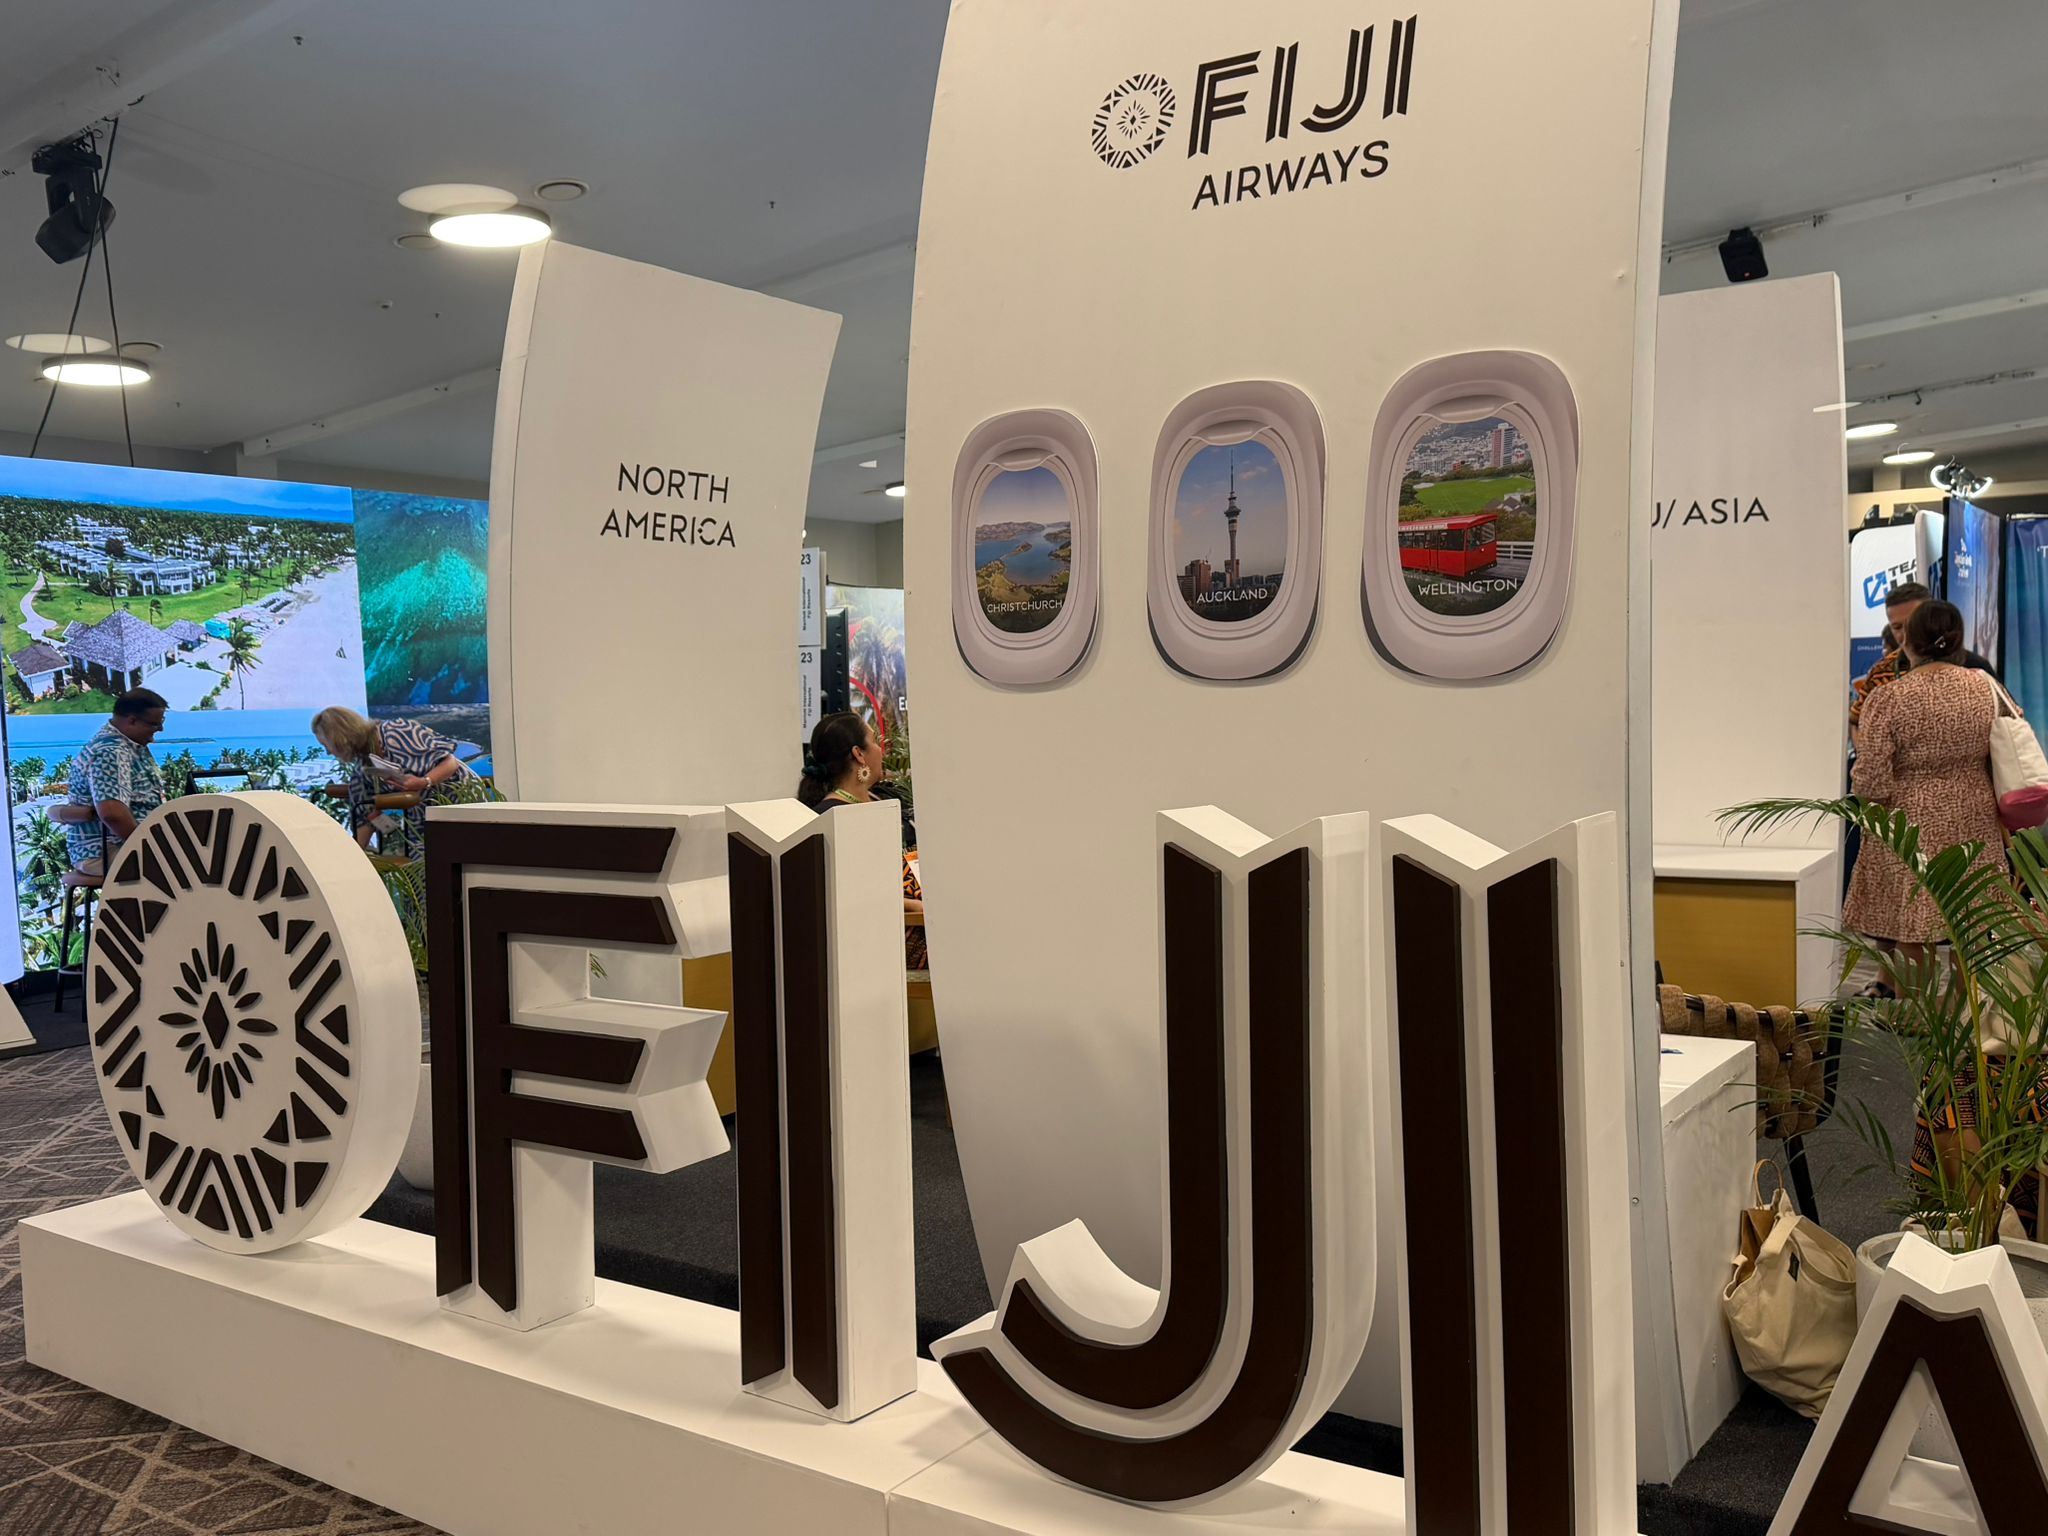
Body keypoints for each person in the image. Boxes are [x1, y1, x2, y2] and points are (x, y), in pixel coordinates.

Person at [1843, 600, 2004, 959]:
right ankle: (1967, 998)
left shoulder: (1889, 697)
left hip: (1910, 825)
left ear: (1909, 642)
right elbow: (2011, 739)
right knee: (1971, 921)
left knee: (1916, 927)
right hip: (1975, 816)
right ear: (1957, 639)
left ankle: (1916, 999)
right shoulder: (1986, 689)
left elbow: (1871, 781)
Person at [798, 711, 926, 966]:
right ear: (859, 754)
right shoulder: (832, 818)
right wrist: (914, 906)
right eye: (875, 741)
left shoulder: (881, 800)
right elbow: (850, 895)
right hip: (889, 934)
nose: (881, 749)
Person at [311, 705, 476, 851]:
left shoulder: (396, 732)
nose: (328, 752)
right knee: (419, 863)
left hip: (458, 805)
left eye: (326, 745)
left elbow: (450, 762)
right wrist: (352, 857)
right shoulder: (362, 771)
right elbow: (365, 821)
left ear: (340, 738)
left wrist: (424, 781)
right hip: (423, 825)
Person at [1850, 582, 1998, 734]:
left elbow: (2003, 721)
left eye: (1914, 623)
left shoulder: (1976, 667)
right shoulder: (1881, 673)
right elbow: (1856, 722)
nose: (1907, 634)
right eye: (1897, 627)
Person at [65, 688, 169, 877]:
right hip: (106, 850)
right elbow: (113, 813)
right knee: (196, 866)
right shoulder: (111, 752)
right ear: (132, 720)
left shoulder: (128, 744)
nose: (160, 729)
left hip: (123, 845)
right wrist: (150, 848)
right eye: (155, 724)